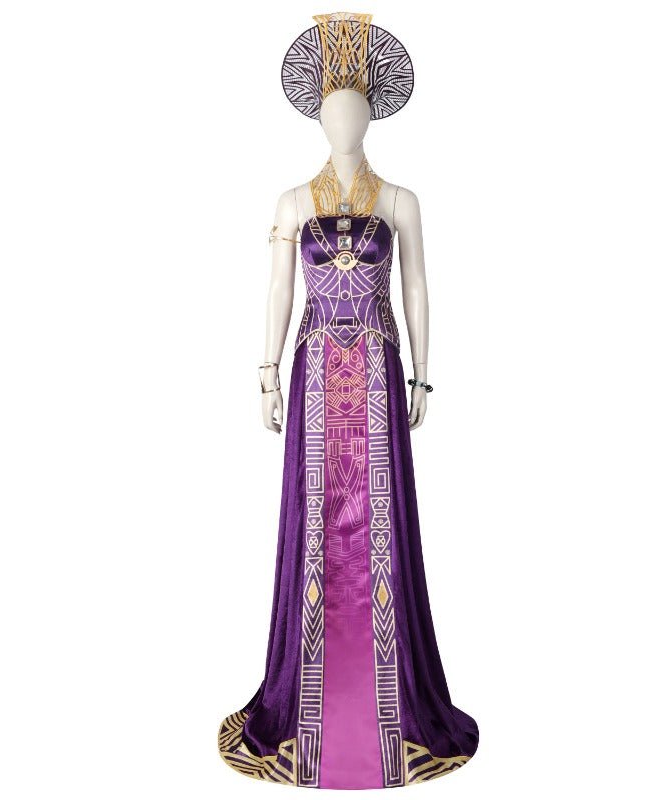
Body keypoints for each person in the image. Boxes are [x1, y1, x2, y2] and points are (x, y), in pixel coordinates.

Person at [218, 12, 479, 789]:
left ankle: (393, 711)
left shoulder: (400, 200)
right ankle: (305, 709)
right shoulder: (292, 201)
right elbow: (277, 289)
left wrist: (423, 374)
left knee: (382, 524)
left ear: (372, 116)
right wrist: (266, 372)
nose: (344, 122)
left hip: (375, 371)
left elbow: (418, 284)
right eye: (334, 110)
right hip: (313, 377)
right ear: (317, 117)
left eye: (356, 110)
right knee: (313, 525)